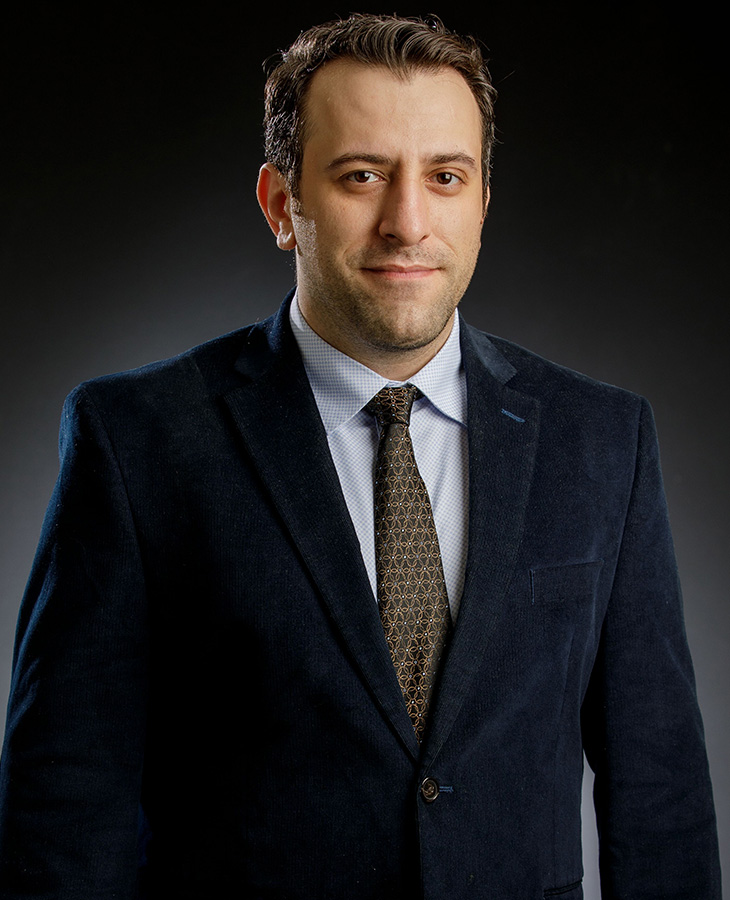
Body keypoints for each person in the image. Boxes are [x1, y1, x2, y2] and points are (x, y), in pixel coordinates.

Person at [0, 13, 721, 900]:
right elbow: (64, 809)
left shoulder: (603, 440)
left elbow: (661, 801)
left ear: (483, 202)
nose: (406, 221)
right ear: (280, 204)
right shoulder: (137, 440)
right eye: (362, 175)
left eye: (445, 177)